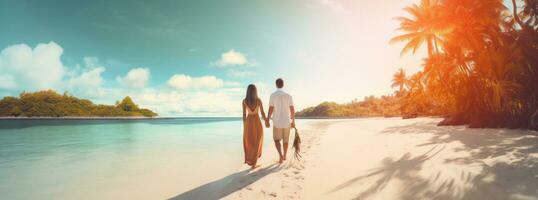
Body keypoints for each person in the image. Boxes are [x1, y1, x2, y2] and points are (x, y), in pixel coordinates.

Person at [266, 78, 295, 164]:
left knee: (276, 140)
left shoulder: (273, 95)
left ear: (276, 85)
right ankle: (285, 155)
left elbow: (271, 108)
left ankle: (280, 156)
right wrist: (293, 120)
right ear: (283, 85)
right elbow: (292, 109)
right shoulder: (289, 96)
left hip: (277, 122)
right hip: (287, 122)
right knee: (286, 140)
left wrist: (267, 119)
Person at [242, 84, 267, 169]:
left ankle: (252, 162)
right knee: (257, 141)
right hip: (257, 122)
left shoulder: (244, 101)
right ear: (255, 91)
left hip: (248, 123)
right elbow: (262, 113)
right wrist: (266, 121)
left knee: (250, 142)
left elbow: (244, 115)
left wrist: (244, 127)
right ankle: (254, 163)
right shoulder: (258, 100)